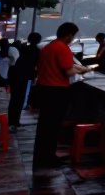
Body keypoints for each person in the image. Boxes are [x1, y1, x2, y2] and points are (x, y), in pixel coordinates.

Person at [33, 22, 93, 168]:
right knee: (53, 127)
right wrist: (83, 71)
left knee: (44, 127)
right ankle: (49, 159)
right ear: (68, 35)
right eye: (73, 36)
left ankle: (41, 157)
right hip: (57, 91)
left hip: (44, 89)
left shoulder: (47, 48)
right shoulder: (63, 49)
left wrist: (77, 68)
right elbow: (69, 72)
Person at [8, 34, 41, 130]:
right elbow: (37, 65)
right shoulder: (37, 51)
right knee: (19, 99)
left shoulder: (23, 48)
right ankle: (14, 121)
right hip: (23, 76)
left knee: (14, 99)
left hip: (15, 74)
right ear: (38, 41)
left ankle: (12, 121)